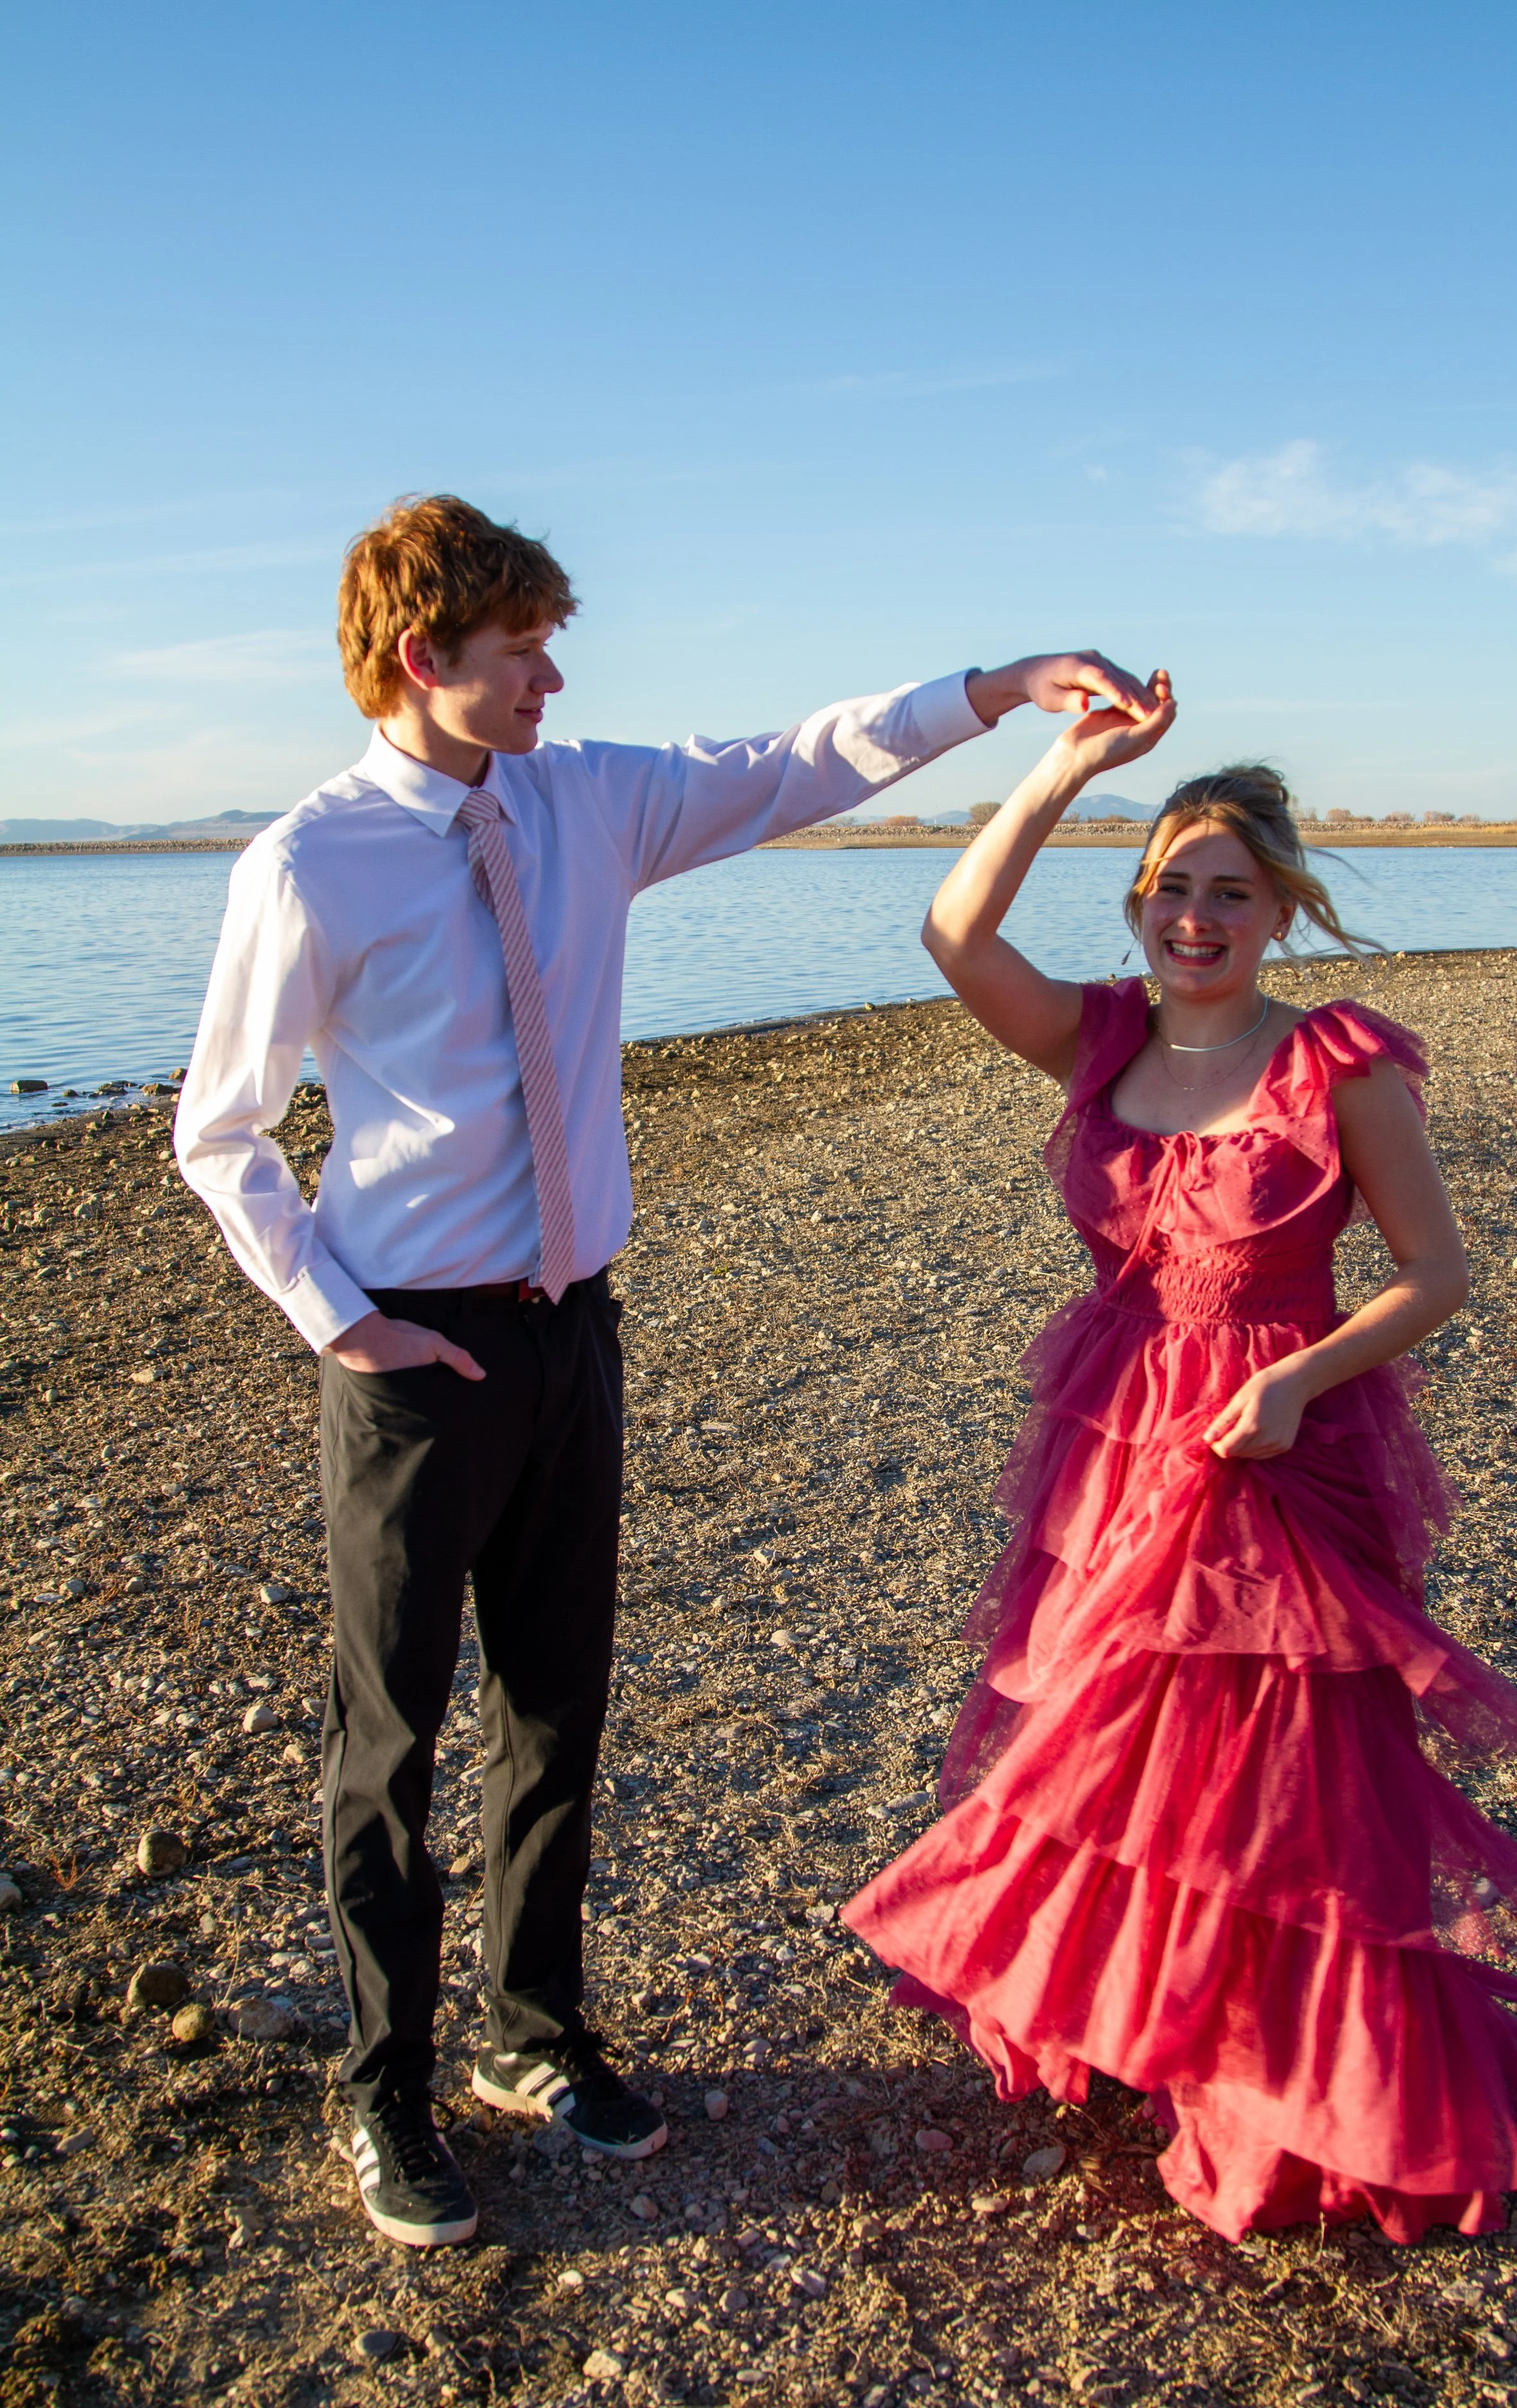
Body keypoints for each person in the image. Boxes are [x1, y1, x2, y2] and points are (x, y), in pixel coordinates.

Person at [173, 489, 1163, 2249]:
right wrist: (345, 1320)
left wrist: (1002, 686)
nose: (555, 673)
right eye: (521, 646)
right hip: (413, 1344)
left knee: (558, 1706)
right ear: (424, 658)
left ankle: (535, 2037)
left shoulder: (586, 800)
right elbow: (222, 1135)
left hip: (574, 1330)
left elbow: (802, 758)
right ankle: (383, 2089)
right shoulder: (311, 860)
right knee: (390, 1736)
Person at [842, 688, 1517, 2242]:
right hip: (1111, 1425)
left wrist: (1295, 1383)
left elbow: (1432, 1273)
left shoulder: (1335, 1064)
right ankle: (1153, 2012)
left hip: (1272, 1437)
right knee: (1113, 1739)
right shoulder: (1095, 1032)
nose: (1195, 916)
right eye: (1172, 886)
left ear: (1279, 913)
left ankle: (1289, 2082)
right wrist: (1064, 766)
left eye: (1229, 893)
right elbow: (952, 931)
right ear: (1138, 903)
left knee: (1274, 1767)